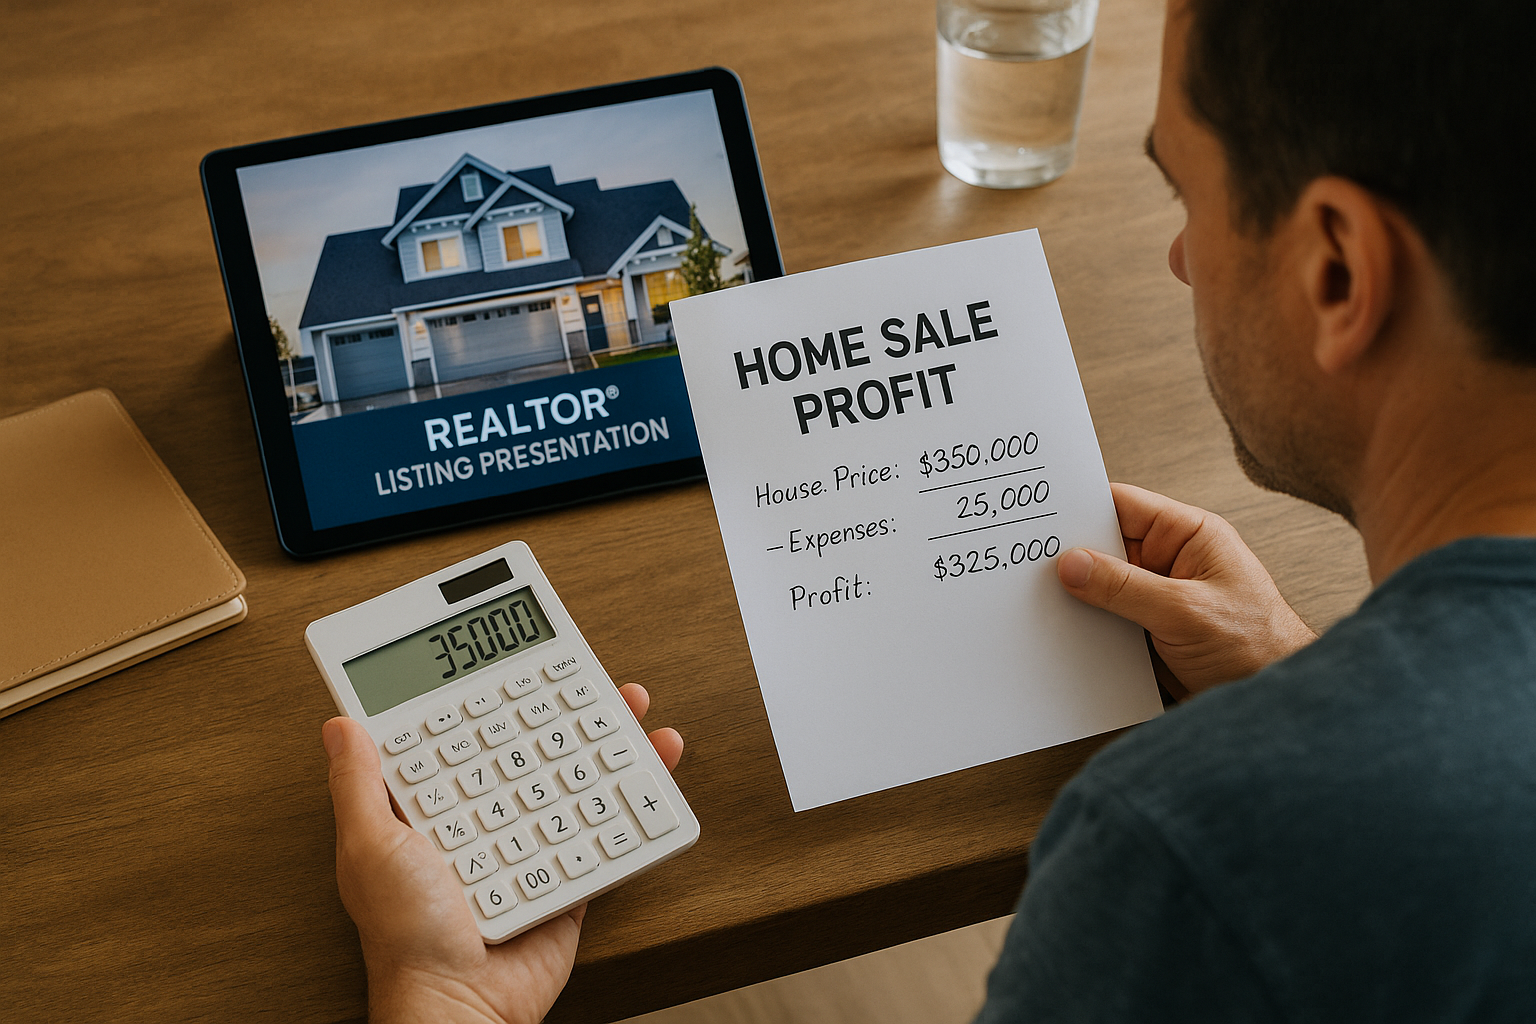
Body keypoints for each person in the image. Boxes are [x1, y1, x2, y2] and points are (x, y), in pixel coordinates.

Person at [322, 0, 1536, 1018]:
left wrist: (444, 998)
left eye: (1188, 200)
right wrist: (1292, 685)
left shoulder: (1184, 856)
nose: (1178, 262)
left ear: (1336, 268)